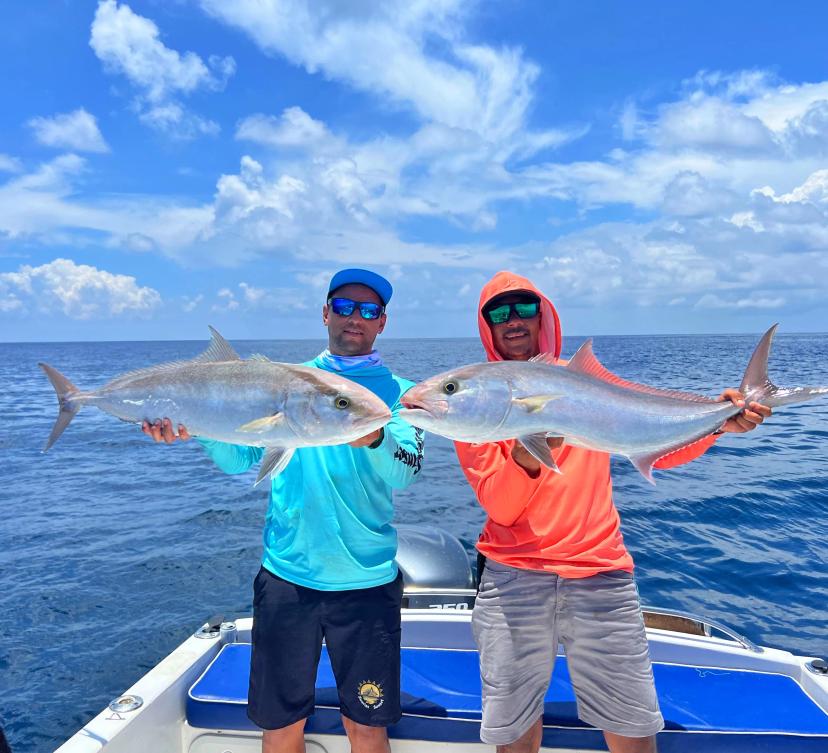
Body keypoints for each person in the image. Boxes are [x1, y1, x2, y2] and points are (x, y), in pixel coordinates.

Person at [454, 271, 771, 753]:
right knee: (513, 733)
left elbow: (652, 440)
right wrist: (528, 450)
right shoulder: (476, 408)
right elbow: (501, 505)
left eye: (522, 309)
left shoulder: (578, 380)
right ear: (487, 327)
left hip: (600, 572)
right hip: (513, 578)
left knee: (633, 727)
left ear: (543, 316)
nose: (512, 321)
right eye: (498, 313)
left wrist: (718, 425)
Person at [143, 268, 424, 753]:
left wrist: (375, 435)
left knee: (368, 728)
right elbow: (241, 459)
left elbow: (406, 469)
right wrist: (200, 428)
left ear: (382, 322)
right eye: (344, 307)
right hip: (287, 579)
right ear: (325, 313)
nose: (355, 318)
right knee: (280, 726)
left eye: (369, 310)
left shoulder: (401, 393)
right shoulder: (286, 383)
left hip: (367, 584)